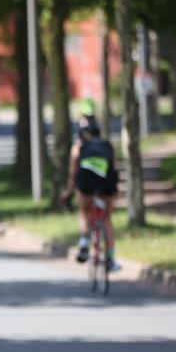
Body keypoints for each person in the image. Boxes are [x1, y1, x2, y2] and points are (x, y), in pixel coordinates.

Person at [62, 113, 120, 270]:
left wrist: (67, 193)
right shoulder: (108, 145)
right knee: (107, 219)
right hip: (106, 184)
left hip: (86, 185)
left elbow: (73, 174)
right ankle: (111, 258)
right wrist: (115, 192)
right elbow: (113, 169)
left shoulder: (78, 147)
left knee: (83, 211)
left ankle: (84, 242)